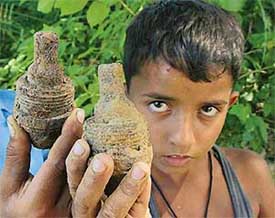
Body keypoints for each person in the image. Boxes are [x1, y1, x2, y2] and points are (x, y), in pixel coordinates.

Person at [0, 0, 274, 217]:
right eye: (159, 104)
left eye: (209, 109)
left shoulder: (250, 174)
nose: (182, 138)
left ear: (231, 105)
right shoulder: (89, 192)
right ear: (126, 96)